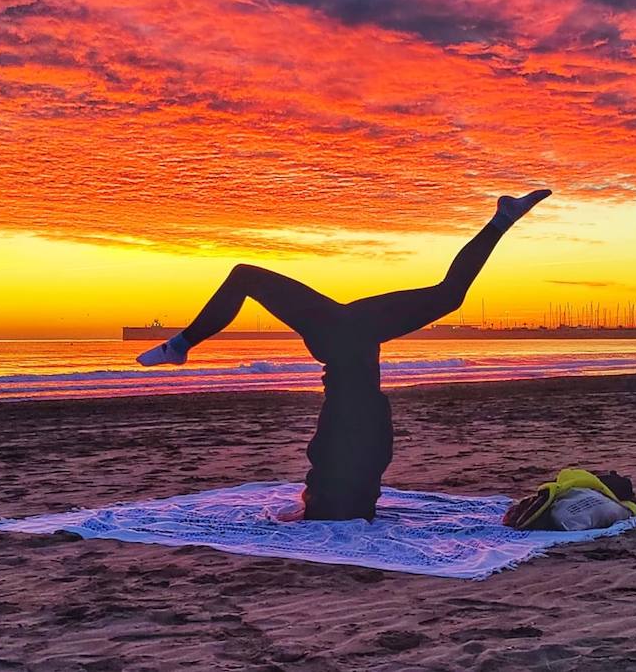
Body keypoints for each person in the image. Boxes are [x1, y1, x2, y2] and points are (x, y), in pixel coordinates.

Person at [135, 190, 552, 521]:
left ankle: (180, 346)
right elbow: (336, 456)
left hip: (346, 336)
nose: (304, 493)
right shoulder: (352, 448)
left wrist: (320, 500)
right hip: (343, 335)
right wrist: (316, 500)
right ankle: (180, 346)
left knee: (448, 294)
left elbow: (347, 456)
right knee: (448, 294)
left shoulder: (358, 449)